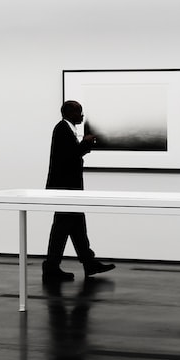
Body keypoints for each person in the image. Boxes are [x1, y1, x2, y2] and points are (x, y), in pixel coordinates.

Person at [43, 99, 115, 283]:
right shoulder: (62, 129)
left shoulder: (66, 129)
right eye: (78, 112)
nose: (81, 115)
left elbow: (71, 155)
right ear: (68, 113)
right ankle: (51, 267)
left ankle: (88, 263)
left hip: (69, 189)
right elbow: (69, 157)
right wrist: (85, 143)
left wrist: (85, 144)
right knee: (62, 227)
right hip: (64, 189)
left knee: (76, 226)